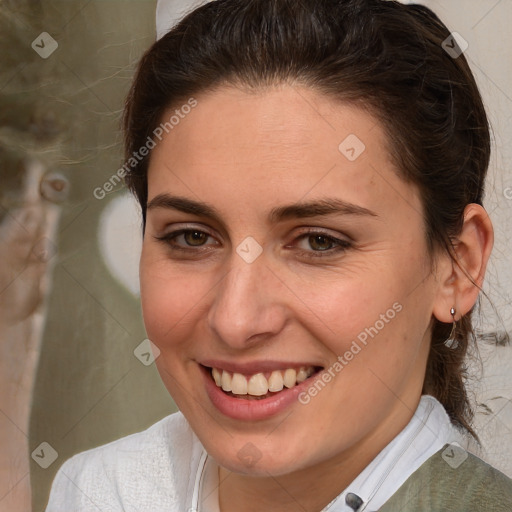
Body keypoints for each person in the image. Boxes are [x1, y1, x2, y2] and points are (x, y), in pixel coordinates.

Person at [45, 0, 512, 510]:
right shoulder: (99, 491)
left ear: (457, 266)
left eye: (319, 242)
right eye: (192, 237)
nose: (236, 320)